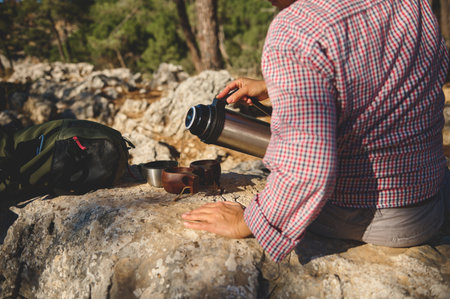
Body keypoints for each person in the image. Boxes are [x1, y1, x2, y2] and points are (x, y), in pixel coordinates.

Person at [182, 0, 450, 262]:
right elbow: (404, 73)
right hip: (428, 206)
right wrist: (287, 81)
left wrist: (248, 221)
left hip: (364, 216)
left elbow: (307, 170)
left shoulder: (298, 28)